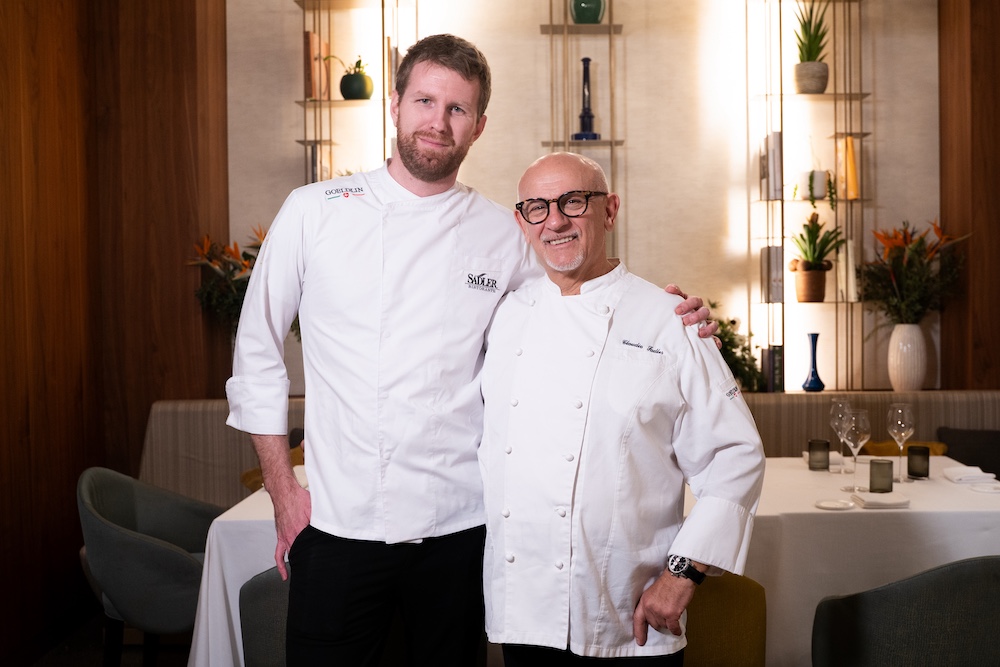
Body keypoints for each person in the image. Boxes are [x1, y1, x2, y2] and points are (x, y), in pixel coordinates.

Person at [226, 35, 716, 666]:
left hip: (461, 531)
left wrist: (670, 316)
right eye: (425, 101)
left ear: (479, 126)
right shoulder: (313, 211)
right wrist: (282, 490)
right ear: (395, 105)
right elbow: (257, 352)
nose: (438, 121)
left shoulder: (502, 230)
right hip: (338, 521)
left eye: (457, 109)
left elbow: (576, 308)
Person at [478, 152, 765, 665]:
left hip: (627, 617)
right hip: (525, 616)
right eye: (538, 208)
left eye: (573, 201)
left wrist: (682, 576)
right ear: (523, 224)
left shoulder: (670, 321)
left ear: (609, 210)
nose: (555, 221)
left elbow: (735, 455)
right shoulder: (504, 317)